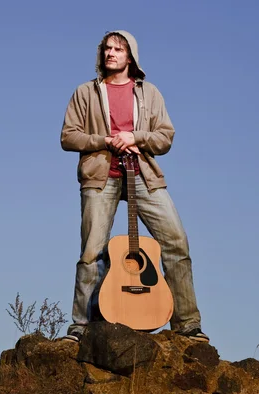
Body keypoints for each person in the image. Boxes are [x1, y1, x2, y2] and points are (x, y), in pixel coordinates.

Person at [60, 30, 209, 343]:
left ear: (131, 57)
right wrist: (104, 141)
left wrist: (135, 137)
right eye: (107, 48)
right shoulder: (85, 92)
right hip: (100, 176)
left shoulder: (149, 92)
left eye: (119, 49)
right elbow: (68, 136)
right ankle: (81, 327)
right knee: (92, 252)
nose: (111, 53)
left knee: (176, 242)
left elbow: (165, 137)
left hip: (144, 175)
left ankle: (187, 325)